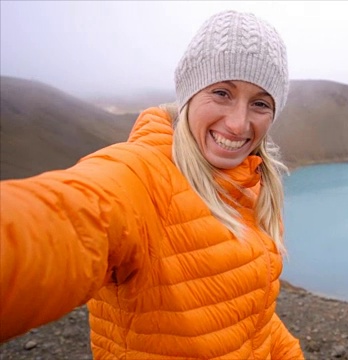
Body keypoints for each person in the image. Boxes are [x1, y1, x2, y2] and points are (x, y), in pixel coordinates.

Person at [0, 10, 304, 359]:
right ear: (189, 93)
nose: (238, 124)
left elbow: (251, 316)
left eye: (260, 104)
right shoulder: (139, 176)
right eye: (221, 92)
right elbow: (63, 219)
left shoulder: (253, 184)